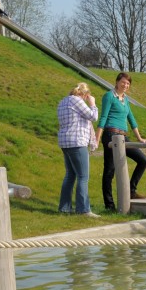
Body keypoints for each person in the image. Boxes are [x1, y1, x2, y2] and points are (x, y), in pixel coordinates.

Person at [97, 72, 146, 210]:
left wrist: (139, 138)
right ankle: (109, 205)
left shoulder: (125, 99)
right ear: (117, 82)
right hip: (111, 134)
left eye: (128, 83)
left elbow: (131, 118)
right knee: (110, 169)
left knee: (143, 160)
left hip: (123, 137)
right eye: (123, 82)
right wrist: (97, 138)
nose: (125, 85)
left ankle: (131, 191)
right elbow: (103, 117)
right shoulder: (109, 96)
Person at [57, 83, 100, 218]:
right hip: (77, 141)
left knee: (70, 175)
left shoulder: (63, 102)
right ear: (85, 94)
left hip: (65, 142)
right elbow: (93, 116)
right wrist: (92, 104)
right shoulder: (77, 101)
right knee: (83, 176)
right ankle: (83, 210)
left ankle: (64, 208)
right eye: (87, 96)